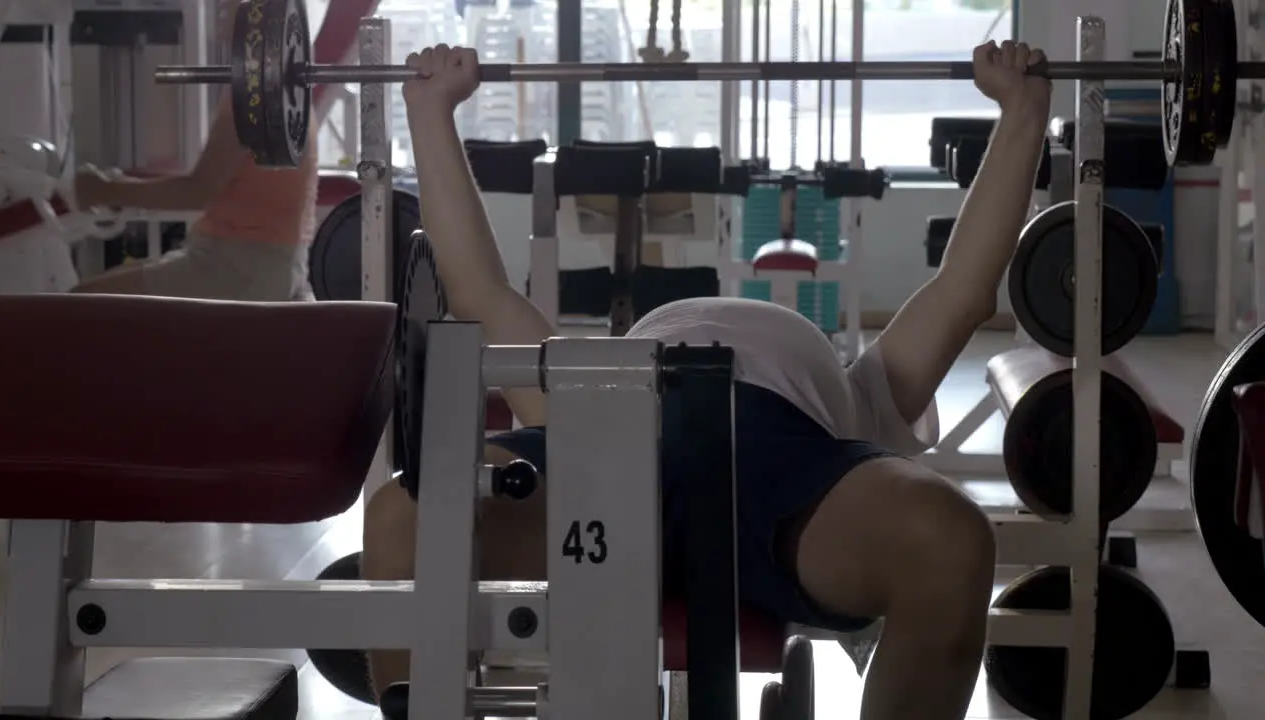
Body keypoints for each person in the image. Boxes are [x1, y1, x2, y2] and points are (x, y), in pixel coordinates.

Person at [363, 41, 1051, 720]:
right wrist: (429, 110)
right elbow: (476, 291)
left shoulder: (867, 388)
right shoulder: (578, 386)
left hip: (793, 476)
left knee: (952, 539)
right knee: (408, 515)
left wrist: (1024, 112)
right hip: (612, 445)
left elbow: (965, 290)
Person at [68, 0, 319, 301]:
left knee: (77, 305)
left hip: (237, 268)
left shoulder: (253, 97)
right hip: (269, 265)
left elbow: (198, 190)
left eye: (232, 5)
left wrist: (103, 190)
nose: (223, 12)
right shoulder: (284, 93)